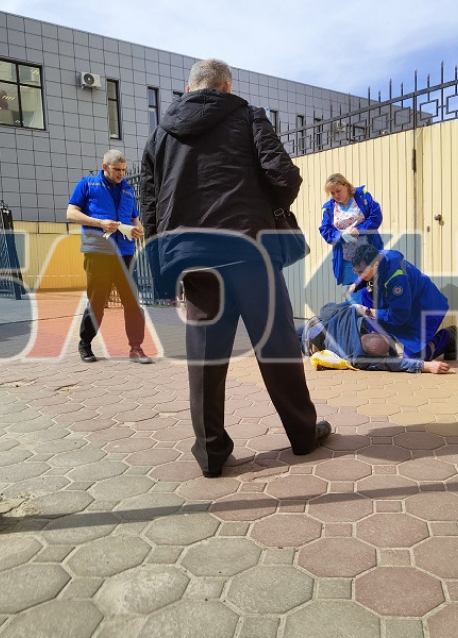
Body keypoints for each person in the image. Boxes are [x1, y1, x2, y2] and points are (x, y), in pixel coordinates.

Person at [140, 58, 331, 478]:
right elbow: (284, 177)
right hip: (250, 249)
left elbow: (150, 206)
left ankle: (210, 453)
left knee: (205, 357)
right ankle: (302, 435)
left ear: (189, 89)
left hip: (191, 256)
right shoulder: (247, 115)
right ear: (224, 87)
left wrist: (161, 270)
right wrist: (262, 206)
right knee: (276, 343)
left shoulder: (160, 134)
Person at [66, 149, 152, 364]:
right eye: (117, 170)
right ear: (105, 167)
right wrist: (100, 223)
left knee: (132, 302)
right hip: (99, 252)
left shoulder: (127, 190)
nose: (121, 174)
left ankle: (136, 348)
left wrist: (138, 228)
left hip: (125, 252)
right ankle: (85, 343)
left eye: (123, 170)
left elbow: (134, 218)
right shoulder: (87, 185)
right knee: (97, 302)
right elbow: (71, 213)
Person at [348, 244, 458, 364]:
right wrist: (356, 285)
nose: (358, 276)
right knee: (366, 292)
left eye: (361, 272)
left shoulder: (397, 280)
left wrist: (369, 312)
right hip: (401, 302)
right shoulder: (373, 256)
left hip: (423, 306)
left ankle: (448, 337)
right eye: (356, 271)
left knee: (413, 358)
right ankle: (387, 341)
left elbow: (399, 316)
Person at [300, 302, 451, 374]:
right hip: (309, 343)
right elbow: (391, 364)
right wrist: (426, 366)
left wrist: (357, 308)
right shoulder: (357, 358)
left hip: (311, 326)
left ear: (371, 334)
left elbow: (325, 309)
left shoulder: (350, 314)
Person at [319, 174, 384, 303]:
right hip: (347, 260)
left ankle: (369, 321)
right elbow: (325, 230)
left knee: (372, 296)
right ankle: (354, 322)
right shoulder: (329, 208)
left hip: (369, 258)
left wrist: (360, 230)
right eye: (332, 193)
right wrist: (340, 236)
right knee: (353, 297)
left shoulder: (363, 197)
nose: (336, 195)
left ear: (346, 185)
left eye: (338, 190)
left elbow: (376, 216)